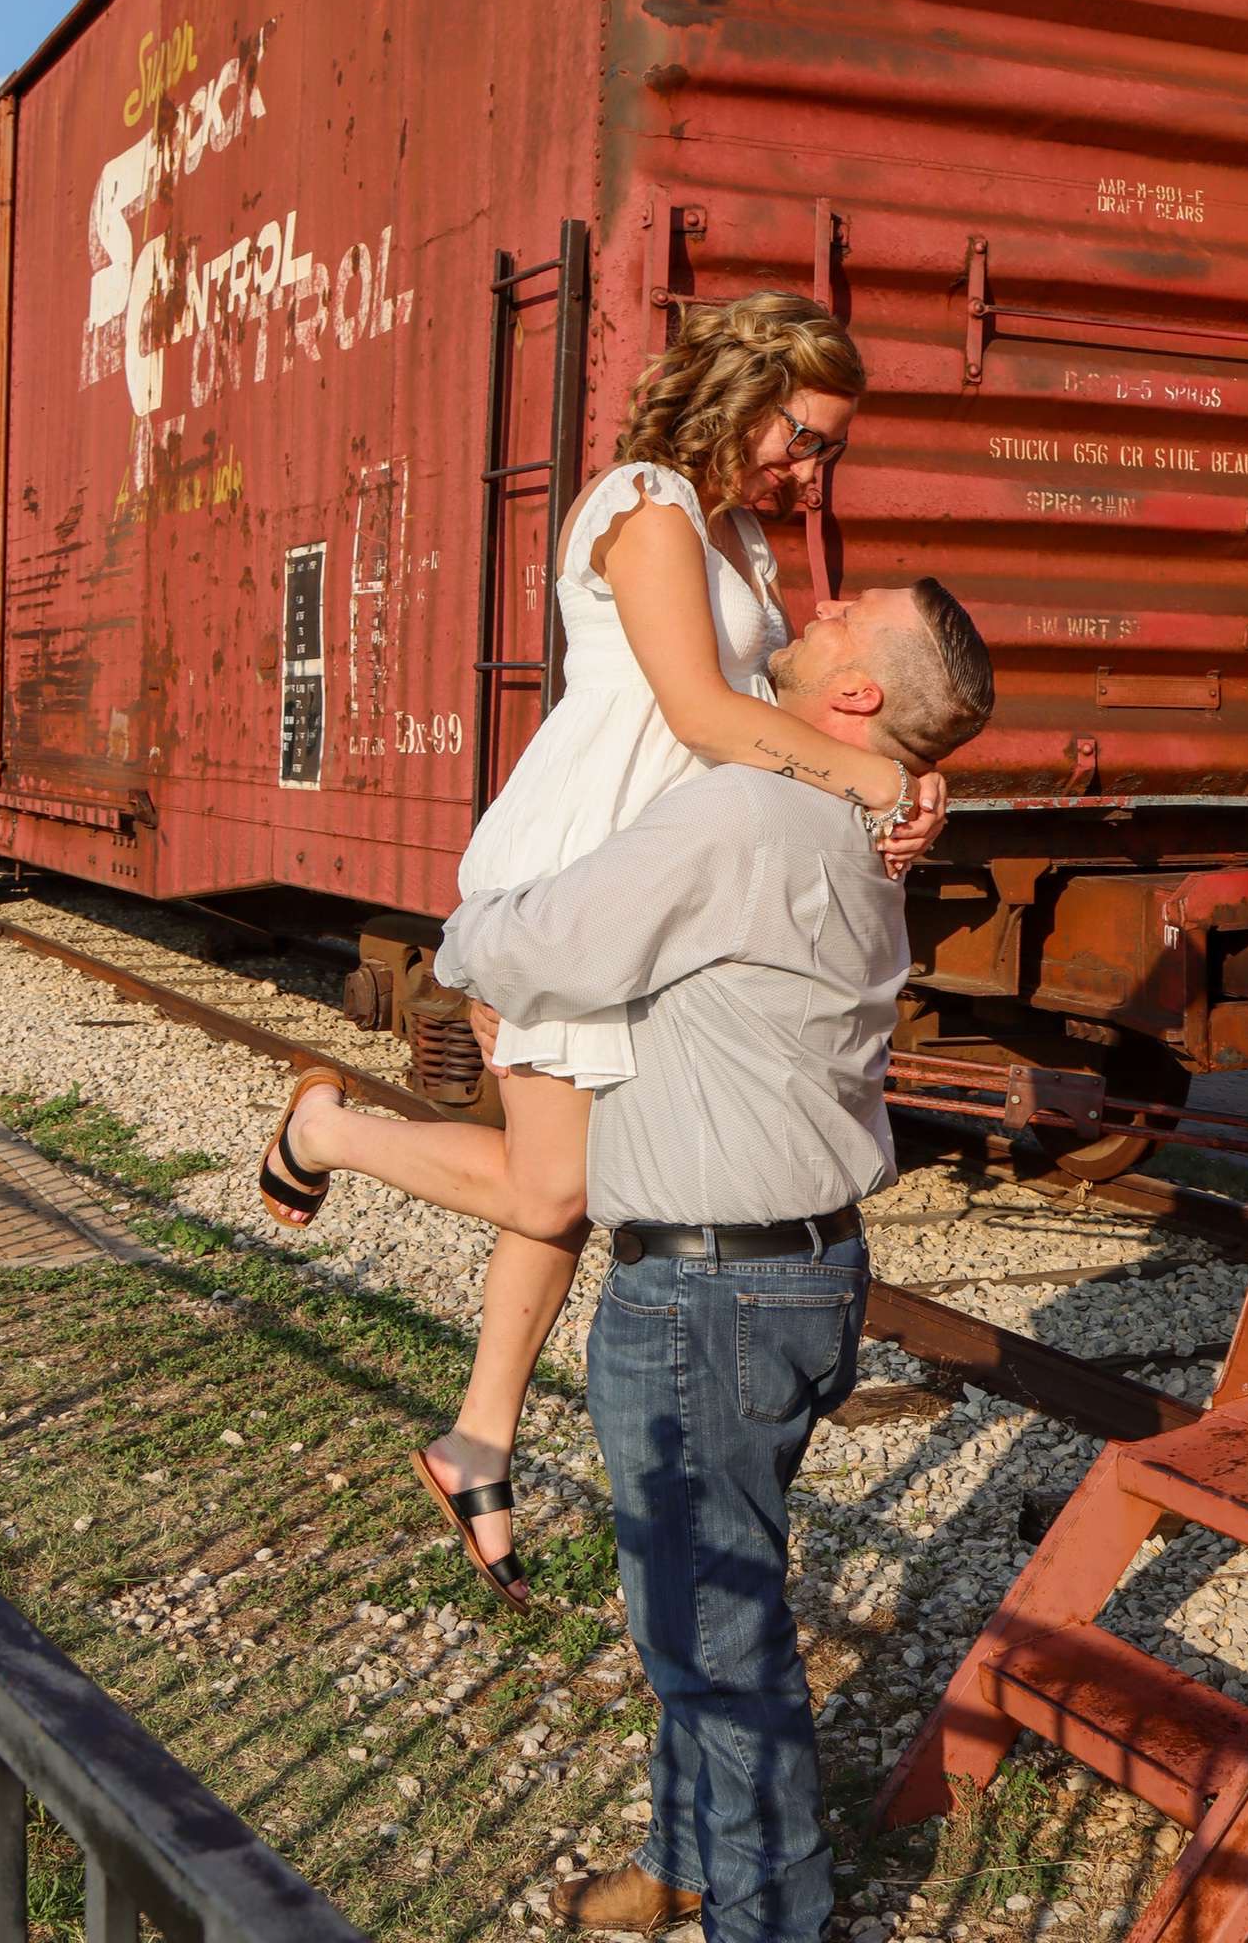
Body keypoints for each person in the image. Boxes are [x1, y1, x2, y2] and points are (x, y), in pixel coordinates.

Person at [257, 293, 946, 1607]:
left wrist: (909, 781)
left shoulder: (740, 538)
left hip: (662, 877)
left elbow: (778, 713)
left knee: (577, 1179)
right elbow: (696, 707)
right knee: (554, 1191)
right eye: (805, 439)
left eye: (828, 454)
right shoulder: (645, 506)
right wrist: (868, 775)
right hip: (577, 864)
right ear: (743, 389)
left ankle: (479, 1438)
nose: (811, 476)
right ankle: (328, 1130)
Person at [434, 577, 993, 1943]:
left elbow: (544, 947)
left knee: (716, 1645)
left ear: (853, 697)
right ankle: (679, 1861)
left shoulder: (745, 810)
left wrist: (469, 935)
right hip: (805, 1279)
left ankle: (767, 1920)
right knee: (704, 1597)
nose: (820, 599)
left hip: (707, 1295)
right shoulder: (857, 822)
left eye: (849, 611)